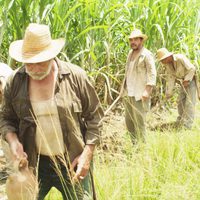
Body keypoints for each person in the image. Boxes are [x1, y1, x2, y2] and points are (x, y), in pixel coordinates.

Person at [0, 23, 103, 200]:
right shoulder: (15, 82)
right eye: (28, 63)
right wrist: (13, 141)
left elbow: (95, 117)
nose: (33, 68)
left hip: (73, 160)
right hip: (35, 162)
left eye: (39, 62)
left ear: (51, 56)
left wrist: (87, 155)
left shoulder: (76, 77)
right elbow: (6, 118)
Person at [121, 29, 156, 143]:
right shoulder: (130, 54)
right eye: (131, 40)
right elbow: (127, 73)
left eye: (136, 39)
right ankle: (135, 144)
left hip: (140, 93)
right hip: (129, 92)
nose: (133, 42)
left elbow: (152, 73)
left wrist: (147, 90)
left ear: (141, 40)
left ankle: (143, 147)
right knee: (129, 121)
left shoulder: (146, 55)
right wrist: (123, 88)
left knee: (139, 121)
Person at [157, 47, 196, 129]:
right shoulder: (168, 65)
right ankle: (180, 121)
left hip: (191, 81)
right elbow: (171, 78)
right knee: (180, 102)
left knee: (189, 103)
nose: (162, 62)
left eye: (162, 60)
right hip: (182, 83)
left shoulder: (180, 58)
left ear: (167, 57)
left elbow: (192, 68)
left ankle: (187, 125)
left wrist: (187, 80)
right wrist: (169, 93)